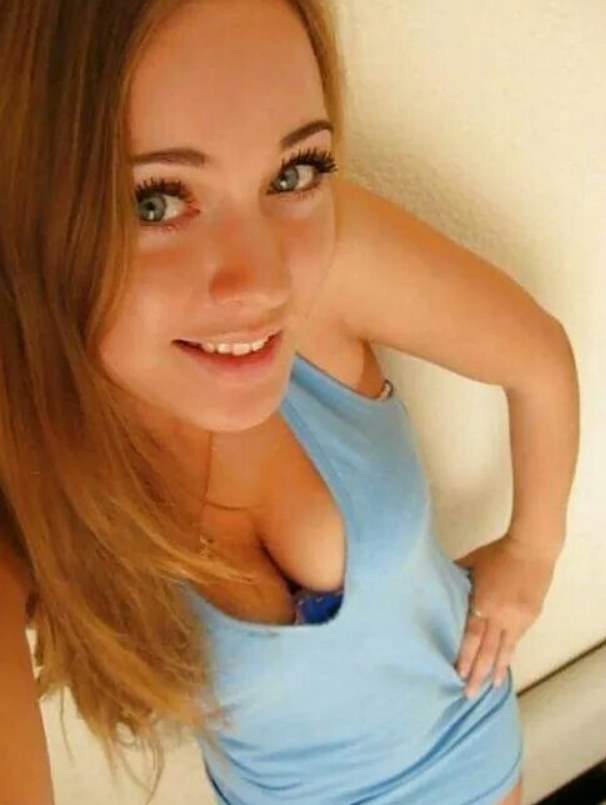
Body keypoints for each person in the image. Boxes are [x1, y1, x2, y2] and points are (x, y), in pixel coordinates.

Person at [4, 0, 573, 802]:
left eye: (293, 173)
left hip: (464, 752)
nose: (264, 282)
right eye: (154, 201)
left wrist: (535, 548)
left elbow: (536, 357)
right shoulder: (28, 460)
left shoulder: (325, 264)